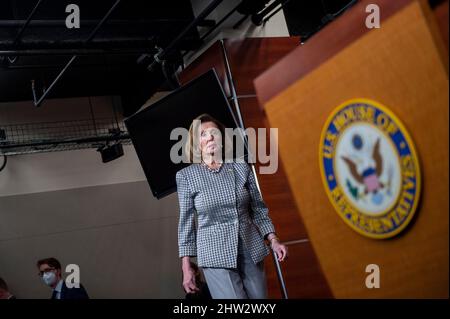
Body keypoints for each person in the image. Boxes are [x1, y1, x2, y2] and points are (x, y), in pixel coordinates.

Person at [176, 113, 288, 299]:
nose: (210, 136)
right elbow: (186, 223)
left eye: (214, 132)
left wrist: (273, 239)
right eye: (203, 134)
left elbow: (258, 210)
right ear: (196, 142)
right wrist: (186, 266)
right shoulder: (187, 176)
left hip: (250, 248)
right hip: (214, 254)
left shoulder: (241, 166)